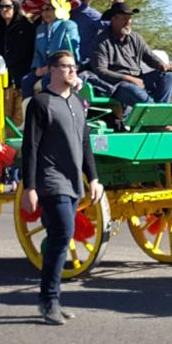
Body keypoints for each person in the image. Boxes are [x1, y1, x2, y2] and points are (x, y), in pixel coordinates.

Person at [20, 49, 104, 325]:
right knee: (62, 234)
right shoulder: (40, 103)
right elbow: (29, 147)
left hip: (72, 181)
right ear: (52, 70)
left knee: (60, 238)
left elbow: (84, 144)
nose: (72, 72)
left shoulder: (78, 103)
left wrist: (93, 178)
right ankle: (49, 300)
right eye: (67, 67)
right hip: (50, 179)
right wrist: (29, 187)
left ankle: (50, 298)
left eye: (74, 67)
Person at [91, 2, 172, 107]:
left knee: (168, 76)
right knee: (132, 89)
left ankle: (160, 113)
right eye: (124, 19)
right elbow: (101, 71)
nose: (128, 22)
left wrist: (161, 64)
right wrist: (128, 78)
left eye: (129, 19)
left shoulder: (135, 38)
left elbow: (149, 56)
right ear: (113, 19)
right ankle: (157, 117)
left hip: (139, 79)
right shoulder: (101, 42)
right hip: (117, 85)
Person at [20, 0, 81, 99]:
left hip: (62, 67)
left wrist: (52, 67)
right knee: (26, 81)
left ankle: (48, 110)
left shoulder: (68, 26)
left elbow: (68, 52)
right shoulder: (40, 29)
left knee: (47, 79)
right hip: (44, 67)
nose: (44, 13)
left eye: (48, 9)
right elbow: (37, 53)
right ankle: (29, 112)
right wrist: (37, 68)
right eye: (42, 10)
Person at [0, 0, 35, 134]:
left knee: (18, 117)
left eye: (8, 6)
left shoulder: (25, 26)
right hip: (3, 78)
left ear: (15, 7)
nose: (4, 9)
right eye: (1, 6)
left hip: (20, 76)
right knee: (3, 116)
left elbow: (25, 52)